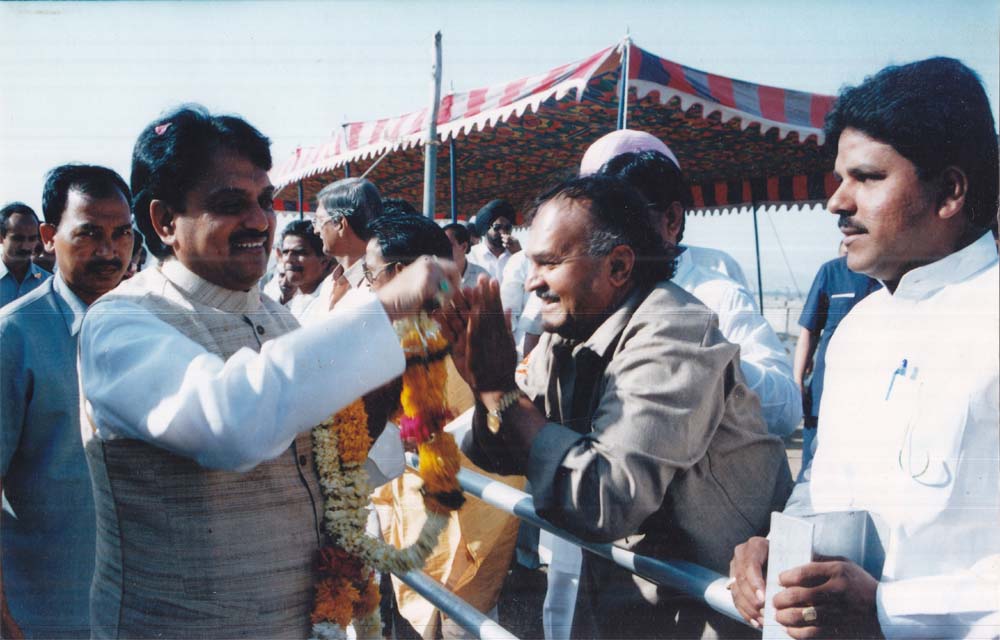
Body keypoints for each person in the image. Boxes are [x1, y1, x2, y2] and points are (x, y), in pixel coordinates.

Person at [76, 105, 460, 638]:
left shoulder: (276, 318)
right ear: (165, 222)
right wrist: (387, 309)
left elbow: (339, 469)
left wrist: (405, 364)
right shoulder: (118, 324)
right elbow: (233, 424)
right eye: (230, 205)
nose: (260, 220)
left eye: (263, 201)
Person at [730, 57, 1000, 639]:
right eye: (840, 177)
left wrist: (888, 611)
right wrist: (775, 547)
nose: (836, 202)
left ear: (949, 191)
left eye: (868, 178)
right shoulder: (857, 330)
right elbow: (822, 487)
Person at [460, 175, 792, 639]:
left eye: (549, 262)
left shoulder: (675, 330)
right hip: (627, 596)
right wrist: (483, 384)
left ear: (618, 266)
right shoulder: (567, 331)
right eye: (529, 263)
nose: (532, 281)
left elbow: (606, 498)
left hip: (706, 608)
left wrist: (500, 390)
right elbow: (496, 452)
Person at [365, 214, 522, 640]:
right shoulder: (394, 333)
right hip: (414, 511)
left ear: (400, 274)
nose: (367, 285)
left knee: (461, 625)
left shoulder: (465, 324)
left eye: (370, 273)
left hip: (477, 513)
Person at [1, 164, 134, 639]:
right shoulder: (14, 335)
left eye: (122, 234)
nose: (109, 250)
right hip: (46, 609)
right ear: (49, 236)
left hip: (143, 607)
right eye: (90, 234)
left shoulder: (156, 329)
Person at [597, 148, 802, 437]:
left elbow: (787, 410)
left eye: (626, 220)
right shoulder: (597, 294)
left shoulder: (717, 295)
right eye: (602, 223)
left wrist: (714, 364)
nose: (609, 237)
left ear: (671, 219)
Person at [581, 129, 750, 289]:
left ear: (671, 218)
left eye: (625, 215)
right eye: (600, 215)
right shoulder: (588, 278)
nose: (608, 232)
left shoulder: (719, 274)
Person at [793, 238, 880, 478]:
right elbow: (809, 330)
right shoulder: (832, 272)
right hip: (826, 389)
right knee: (813, 467)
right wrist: (798, 379)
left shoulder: (894, 275)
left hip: (874, 393)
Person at [302, 177, 384, 318]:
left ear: (339, 223)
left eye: (319, 221)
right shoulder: (330, 283)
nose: (315, 230)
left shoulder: (379, 283)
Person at [265, 219, 331, 319]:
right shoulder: (297, 299)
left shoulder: (330, 299)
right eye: (285, 252)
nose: (288, 259)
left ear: (324, 261)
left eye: (299, 253)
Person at [0, 203, 50, 308]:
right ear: (1, 238)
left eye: (32, 239)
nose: (25, 246)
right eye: (18, 238)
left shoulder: (48, 283)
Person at [468, 199, 517, 282]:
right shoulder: (471, 255)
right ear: (486, 228)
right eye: (497, 227)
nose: (503, 232)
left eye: (507, 228)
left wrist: (518, 255)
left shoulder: (516, 255)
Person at [443, 221, 489, 289]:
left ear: (464, 247)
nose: (443, 249)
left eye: (448, 245)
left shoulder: (481, 276)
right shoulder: (437, 276)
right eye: (442, 245)